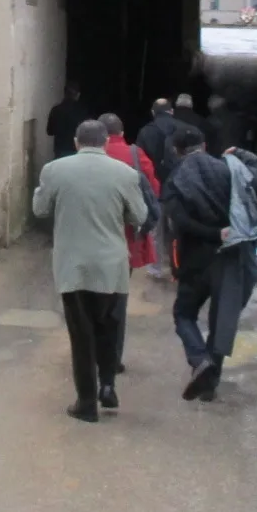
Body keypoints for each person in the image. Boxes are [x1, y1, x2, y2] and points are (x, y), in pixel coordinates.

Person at [32, 118, 146, 422]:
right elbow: (139, 215)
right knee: (108, 327)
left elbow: (40, 210)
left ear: (75, 142)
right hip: (112, 265)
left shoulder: (55, 170)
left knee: (82, 335)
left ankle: (86, 402)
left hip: (74, 266)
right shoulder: (125, 174)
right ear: (107, 143)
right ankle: (108, 385)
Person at [164, 125, 257, 402]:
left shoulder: (175, 178)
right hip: (232, 258)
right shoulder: (230, 168)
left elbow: (179, 221)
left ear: (176, 151)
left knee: (184, 314)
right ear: (204, 145)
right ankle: (209, 383)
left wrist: (207, 236)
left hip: (195, 260)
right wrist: (245, 154)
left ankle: (199, 360)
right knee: (221, 319)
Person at [99, 112, 162, 361]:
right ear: (122, 133)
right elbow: (153, 189)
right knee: (118, 299)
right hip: (126, 238)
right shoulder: (135, 155)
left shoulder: (88, 159)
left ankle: (92, 350)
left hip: (94, 236)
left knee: (92, 296)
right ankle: (113, 357)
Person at [134, 97, 176, 183]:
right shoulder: (186, 129)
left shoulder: (145, 131)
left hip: (154, 180)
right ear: (172, 111)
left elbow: (138, 158)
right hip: (178, 182)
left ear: (153, 112)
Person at [45, 81, 90, 159]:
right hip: (77, 148)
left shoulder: (56, 110)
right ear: (78, 94)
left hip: (60, 149)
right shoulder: (82, 110)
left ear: (64, 93)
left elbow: (49, 131)